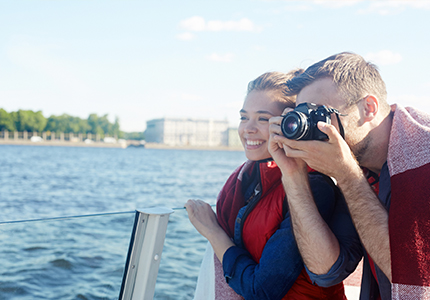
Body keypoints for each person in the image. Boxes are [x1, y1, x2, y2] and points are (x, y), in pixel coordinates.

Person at [185, 70, 360, 299]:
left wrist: (212, 232)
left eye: (263, 119)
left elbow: (263, 290)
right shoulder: (247, 182)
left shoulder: (313, 188)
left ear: (289, 124)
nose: (248, 128)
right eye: (243, 117)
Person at [269, 52, 430, 299]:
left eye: (321, 114)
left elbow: (413, 277)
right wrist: (293, 175)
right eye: (305, 115)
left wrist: (346, 175)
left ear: (368, 108)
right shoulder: (360, 170)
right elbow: (325, 270)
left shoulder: (422, 158)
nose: (315, 128)